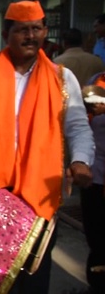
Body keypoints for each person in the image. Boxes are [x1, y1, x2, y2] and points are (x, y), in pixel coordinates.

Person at [0, 0, 94, 293]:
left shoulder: (61, 77)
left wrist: (81, 160)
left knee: (33, 276)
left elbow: (77, 127)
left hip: (38, 193)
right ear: (6, 35)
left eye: (37, 28)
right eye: (22, 30)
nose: (31, 36)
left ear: (45, 31)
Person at [81, 85, 105, 293]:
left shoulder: (98, 121)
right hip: (93, 182)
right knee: (96, 235)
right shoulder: (97, 80)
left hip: (95, 182)